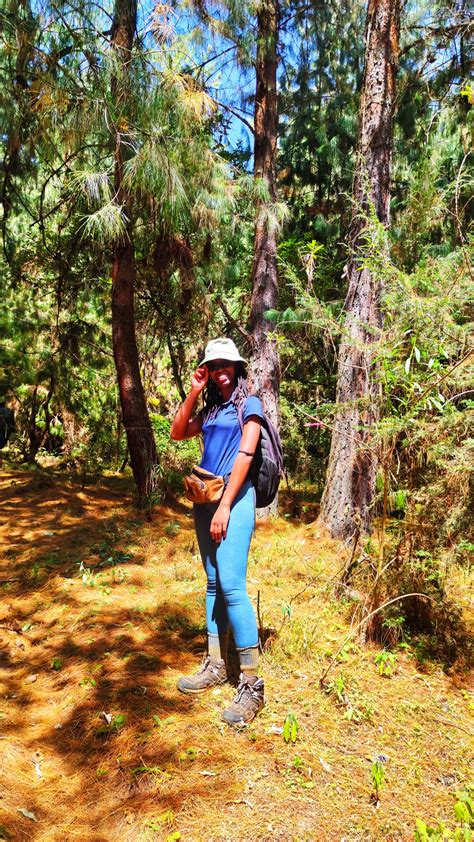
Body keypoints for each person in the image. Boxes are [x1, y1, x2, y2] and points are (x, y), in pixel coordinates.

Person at [170, 337, 264, 727]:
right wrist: (193, 390)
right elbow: (177, 432)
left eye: (227, 365)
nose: (221, 371)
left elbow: (246, 452)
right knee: (212, 582)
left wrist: (226, 505)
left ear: (237, 368)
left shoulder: (250, 404)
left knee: (231, 585)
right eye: (214, 366)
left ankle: (252, 684)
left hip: (234, 499)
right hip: (204, 496)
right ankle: (215, 664)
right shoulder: (210, 410)